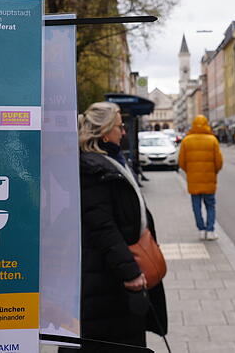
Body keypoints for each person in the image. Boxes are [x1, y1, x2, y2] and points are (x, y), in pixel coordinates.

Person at [65, 102, 167, 351]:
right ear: (104, 132)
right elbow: (103, 227)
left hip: (113, 274)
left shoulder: (111, 161)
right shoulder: (91, 168)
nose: (123, 132)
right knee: (114, 340)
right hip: (105, 279)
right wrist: (129, 272)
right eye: (119, 127)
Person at [178, 115, 224, 241]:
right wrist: (213, 172)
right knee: (210, 205)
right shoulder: (212, 140)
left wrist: (190, 171)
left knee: (196, 206)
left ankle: (201, 230)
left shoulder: (186, 141)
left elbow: (181, 162)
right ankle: (210, 231)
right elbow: (219, 162)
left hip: (193, 180)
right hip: (209, 179)